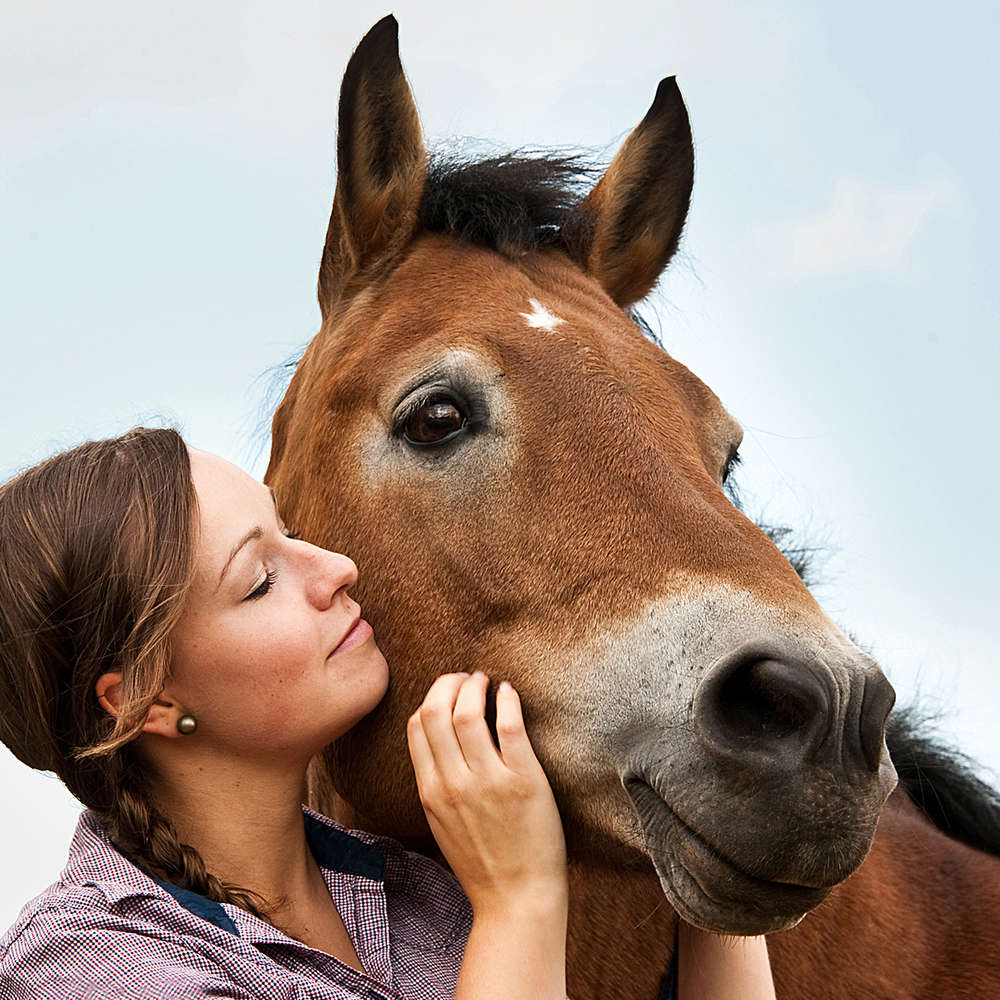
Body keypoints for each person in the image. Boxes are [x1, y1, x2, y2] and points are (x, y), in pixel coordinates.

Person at [0, 427, 776, 1000]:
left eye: (291, 532)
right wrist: (518, 903)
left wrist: (722, 808)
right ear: (147, 701)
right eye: (260, 579)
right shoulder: (90, 967)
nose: (337, 570)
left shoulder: (417, 896)